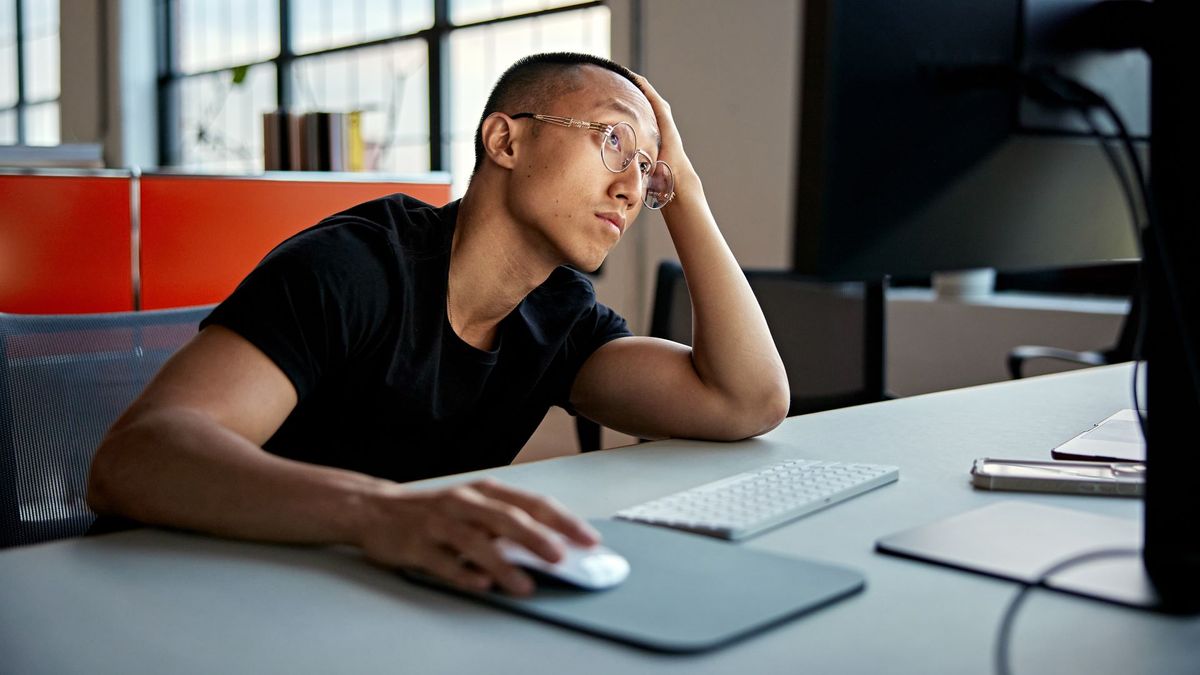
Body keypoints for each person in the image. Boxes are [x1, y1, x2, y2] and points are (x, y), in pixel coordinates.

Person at [86, 52, 789, 596]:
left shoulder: (558, 318)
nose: (632, 186)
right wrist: (382, 513)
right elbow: (135, 458)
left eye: (646, 167)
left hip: (354, 592)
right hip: (187, 587)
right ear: (504, 141)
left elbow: (745, 400)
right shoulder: (354, 267)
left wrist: (685, 191)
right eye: (612, 138)